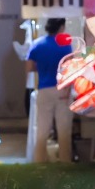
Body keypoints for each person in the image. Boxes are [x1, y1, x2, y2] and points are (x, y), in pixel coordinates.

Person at [28, 18, 73, 163]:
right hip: (62, 90)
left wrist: (42, 69)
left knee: (42, 128)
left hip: (44, 89)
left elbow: (29, 68)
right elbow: (70, 69)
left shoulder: (37, 44)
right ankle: (65, 160)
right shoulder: (65, 46)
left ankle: (40, 160)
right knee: (63, 128)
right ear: (60, 27)